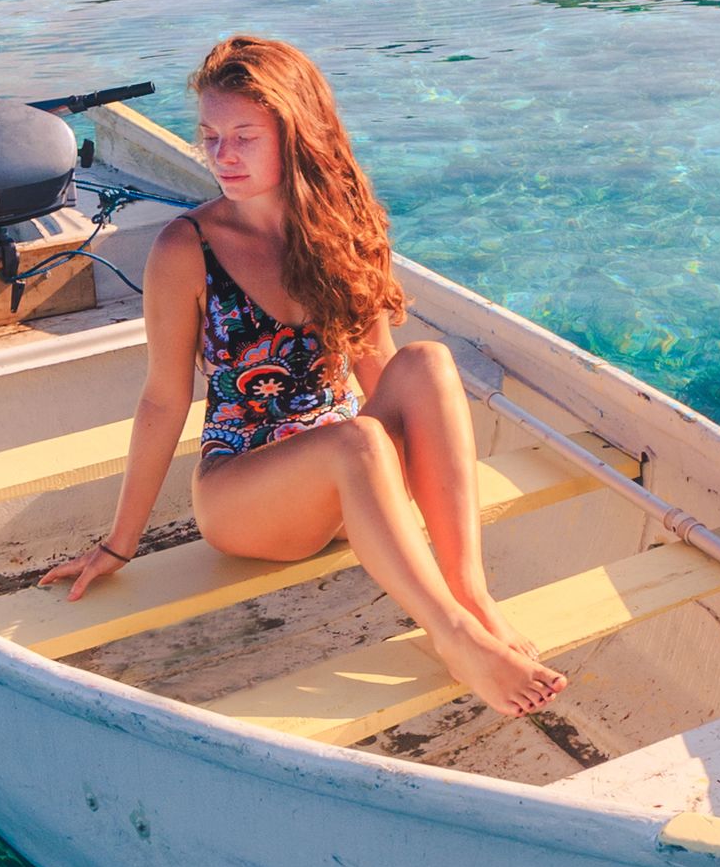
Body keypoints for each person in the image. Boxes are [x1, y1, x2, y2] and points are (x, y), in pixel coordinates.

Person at [43, 35, 564, 719]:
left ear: (295, 135)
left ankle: (472, 598)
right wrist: (120, 542)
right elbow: (164, 399)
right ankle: (454, 636)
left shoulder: (338, 228)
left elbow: (379, 365)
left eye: (243, 137)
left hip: (347, 480)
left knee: (428, 363)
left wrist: (400, 473)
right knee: (357, 442)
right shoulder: (185, 247)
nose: (221, 156)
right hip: (246, 499)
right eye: (209, 136)